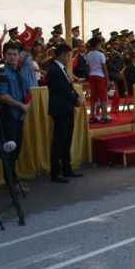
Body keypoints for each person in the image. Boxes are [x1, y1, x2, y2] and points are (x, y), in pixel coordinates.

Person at [47, 44, 82, 183]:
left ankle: (67, 168)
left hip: (67, 108)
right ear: (62, 55)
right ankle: (55, 173)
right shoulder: (54, 70)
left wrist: (76, 98)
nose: (69, 59)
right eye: (68, 56)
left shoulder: (62, 69)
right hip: (60, 109)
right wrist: (76, 100)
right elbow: (64, 90)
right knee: (59, 141)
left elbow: (69, 87)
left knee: (66, 140)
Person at [0, 43, 31, 185]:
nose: (12, 57)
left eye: (14, 54)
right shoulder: (3, 73)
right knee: (10, 149)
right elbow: (2, 95)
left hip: (20, 115)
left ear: (19, 56)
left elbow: (28, 91)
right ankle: (11, 182)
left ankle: (13, 178)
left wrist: (27, 105)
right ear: (4, 56)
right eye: (9, 54)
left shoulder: (20, 71)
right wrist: (21, 106)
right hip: (8, 115)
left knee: (17, 148)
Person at [86, 36, 111, 123]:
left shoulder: (88, 54)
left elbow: (88, 67)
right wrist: (107, 79)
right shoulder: (101, 55)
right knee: (103, 97)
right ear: (97, 44)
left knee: (93, 97)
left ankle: (92, 116)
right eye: (100, 44)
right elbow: (104, 68)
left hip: (92, 76)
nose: (101, 45)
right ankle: (104, 116)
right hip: (100, 76)